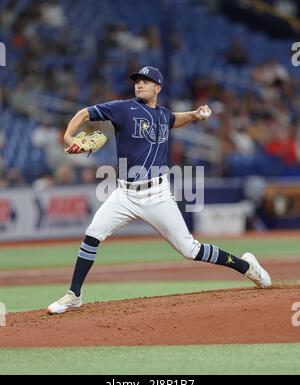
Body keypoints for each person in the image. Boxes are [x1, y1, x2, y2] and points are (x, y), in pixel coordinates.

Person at [47, 66, 271, 314]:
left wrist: (195, 114)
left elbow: (175, 119)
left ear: (158, 87)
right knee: (92, 234)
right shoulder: (123, 108)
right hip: (125, 194)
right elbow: (84, 113)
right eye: (137, 81)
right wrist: (69, 137)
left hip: (157, 194)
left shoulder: (163, 115)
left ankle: (246, 266)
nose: (140, 84)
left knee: (190, 250)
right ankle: (74, 295)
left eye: (146, 81)